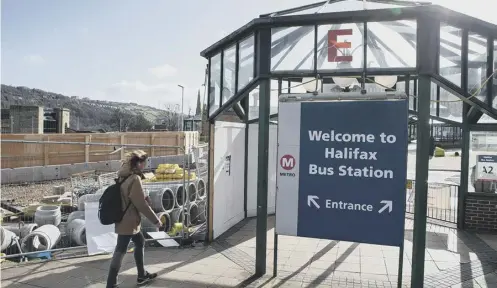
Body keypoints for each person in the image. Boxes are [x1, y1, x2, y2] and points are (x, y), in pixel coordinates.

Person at [106, 150, 162, 288]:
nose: (145, 165)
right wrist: (156, 220)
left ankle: (142, 275)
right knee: (120, 250)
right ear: (138, 163)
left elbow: (130, 197)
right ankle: (111, 283)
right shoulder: (134, 178)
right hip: (129, 220)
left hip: (123, 217)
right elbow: (140, 204)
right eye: (144, 162)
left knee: (140, 241)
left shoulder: (123, 176)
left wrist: (143, 197)